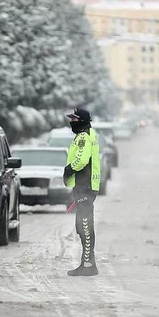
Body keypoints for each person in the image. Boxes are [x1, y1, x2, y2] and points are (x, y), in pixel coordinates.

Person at [63, 107, 102, 276]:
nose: (71, 122)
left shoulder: (83, 137)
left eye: (74, 120)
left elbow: (81, 159)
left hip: (84, 186)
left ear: (82, 121)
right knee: (82, 225)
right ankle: (87, 263)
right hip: (84, 186)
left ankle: (88, 265)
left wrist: (69, 169)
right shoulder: (86, 134)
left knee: (84, 225)